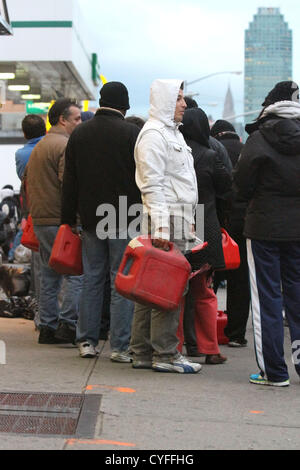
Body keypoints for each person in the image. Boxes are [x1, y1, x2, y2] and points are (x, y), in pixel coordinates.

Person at [61, 81, 141, 360]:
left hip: (91, 218)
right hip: (124, 217)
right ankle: (119, 346)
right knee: (120, 282)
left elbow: (70, 179)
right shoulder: (133, 133)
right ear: (124, 105)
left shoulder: (80, 133)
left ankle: (86, 341)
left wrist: (68, 218)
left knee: (92, 279)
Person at [130, 79, 202, 374]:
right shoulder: (154, 136)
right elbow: (152, 185)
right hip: (166, 220)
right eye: (178, 98)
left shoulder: (170, 134)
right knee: (167, 289)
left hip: (176, 217)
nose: (184, 104)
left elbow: (179, 182)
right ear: (164, 100)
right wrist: (161, 227)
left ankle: (144, 352)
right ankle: (165, 354)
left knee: (151, 287)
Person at [234, 80, 300, 387]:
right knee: (297, 294)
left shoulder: (259, 138)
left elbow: (242, 184)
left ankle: (274, 370)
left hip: (263, 227)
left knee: (266, 299)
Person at [25, 98, 83, 345]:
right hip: (59, 220)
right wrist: (76, 220)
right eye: (77, 119)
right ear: (63, 119)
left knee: (49, 276)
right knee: (77, 275)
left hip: (40, 218)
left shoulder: (41, 145)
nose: (79, 123)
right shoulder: (64, 146)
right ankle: (67, 325)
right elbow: (67, 185)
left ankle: (47, 326)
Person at [180, 108, 231, 364]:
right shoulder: (210, 156)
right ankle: (209, 349)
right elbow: (227, 189)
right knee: (204, 292)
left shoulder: (175, 154)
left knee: (175, 291)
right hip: (205, 226)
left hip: (178, 225)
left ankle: (176, 345)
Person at [211, 120, 249, 347]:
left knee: (209, 277)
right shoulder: (246, 150)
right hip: (243, 224)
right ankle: (236, 334)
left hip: (215, 222)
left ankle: (204, 328)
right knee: (240, 280)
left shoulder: (212, 148)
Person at [15, 115, 46, 180]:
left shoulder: (20, 154)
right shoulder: (54, 147)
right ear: (45, 130)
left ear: (24, 134)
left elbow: (22, 178)